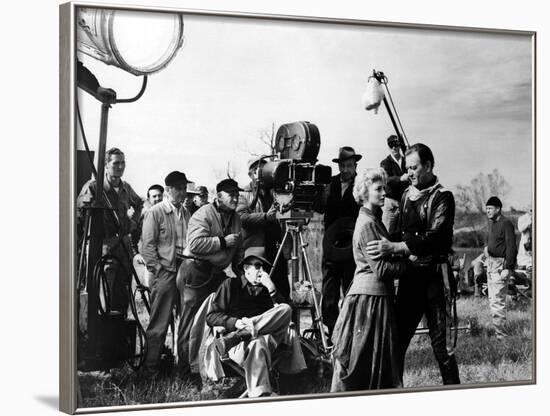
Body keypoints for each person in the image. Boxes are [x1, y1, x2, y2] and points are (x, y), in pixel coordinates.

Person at [366, 143, 460, 385]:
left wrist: (398, 248)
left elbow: (435, 237)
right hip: (410, 278)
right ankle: (392, 395)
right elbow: (399, 234)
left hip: (435, 281)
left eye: (415, 167)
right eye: (407, 168)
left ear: (428, 166)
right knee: (396, 343)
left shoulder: (443, 198)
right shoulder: (407, 195)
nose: (410, 173)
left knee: (442, 347)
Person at [331, 168, 409, 391]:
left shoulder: (374, 219)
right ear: (365, 193)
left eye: (384, 188)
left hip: (375, 296)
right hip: (369, 300)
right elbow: (382, 269)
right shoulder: (366, 224)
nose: (383, 193)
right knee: (363, 364)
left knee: (375, 362)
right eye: (378, 189)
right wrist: (409, 263)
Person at [206, 246, 305, 397]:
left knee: (285, 308)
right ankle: (261, 395)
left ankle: (247, 331)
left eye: (264, 267)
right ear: (246, 268)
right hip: (238, 345)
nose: (262, 271)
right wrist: (236, 323)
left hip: (268, 340)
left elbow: (284, 317)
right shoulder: (231, 285)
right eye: (258, 266)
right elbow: (211, 316)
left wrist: (271, 288)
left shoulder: (267, 290)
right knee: (257, 342)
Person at [177, 178, 244, 377]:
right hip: (195, 272)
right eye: (231, 194)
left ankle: (209, 368)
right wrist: (223, 242)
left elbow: (238, 247)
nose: (235, 197)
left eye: (237, 194)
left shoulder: (236, 218)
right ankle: (185, 372)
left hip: (216, 274)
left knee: (215, 319)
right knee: (190, 324)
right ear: (219, 196)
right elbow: (195, 243)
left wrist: (242, 275)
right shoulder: (203, 213)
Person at [77, 147, 143, 315]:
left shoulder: (126, 188)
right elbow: (78, 217)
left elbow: (139, 203)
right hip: (103, 247)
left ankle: (118, 334)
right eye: (115, 163)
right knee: (103, 296)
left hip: (123, 246)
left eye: (123, 163)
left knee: (123, 294)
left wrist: (133, 221)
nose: (120, 167)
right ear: (106, 165)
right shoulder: (93, 187)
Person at [140, 171, 193, 375]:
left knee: (185, 322)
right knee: (159, 324)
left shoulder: (186, 213)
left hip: (185, 270)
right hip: (166, 272)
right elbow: (147, 247)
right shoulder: (156, 212)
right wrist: (160, 270)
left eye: (184, 188)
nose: (183, 192)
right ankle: (151, 371)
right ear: (168, 190)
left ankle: (183, 370)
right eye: (179, 188)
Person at [322, 146, 362, 336]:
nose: (345, 170)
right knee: (329, 289)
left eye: (349, 166)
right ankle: (331, 330)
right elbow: (319, 207)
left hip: (351, 244)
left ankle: (350, 330)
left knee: (350, 286)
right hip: (331, 244)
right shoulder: (330, 184)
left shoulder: (362, 185)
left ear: (355, 165)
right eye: (342, 166)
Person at [237, 156, 290, 299]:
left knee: (282, 288)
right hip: (256, 250)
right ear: (250, 174)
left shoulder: (276, 191)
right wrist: (266, 216)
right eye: (256, 170)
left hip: (276, 248)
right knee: (259, 290)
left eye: (264, 169)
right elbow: (242, 218)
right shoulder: (243, 194)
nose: (261, 173)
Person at [485, 196, 518, 339]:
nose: (487, 211)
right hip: (491, 264)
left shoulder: (506, 223)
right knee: (493, 301)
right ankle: (499, 334)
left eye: (490, 208)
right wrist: (487, 250)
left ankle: (502, 338)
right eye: (486, 209)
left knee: (497, 302)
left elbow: (511, 246)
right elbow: (495, 243)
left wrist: (508, 267)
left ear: (498, 209)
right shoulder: (493, 223)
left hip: (500, 266)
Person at [380, 135, 409, 235]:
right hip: (391, 203)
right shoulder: (385, 163)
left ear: (400, 145)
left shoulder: (407, 161)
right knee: (386, 232)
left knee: (404, 232)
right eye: (391, 145)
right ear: (388, 146)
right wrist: (401, 178)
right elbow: (386, 179)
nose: (394, 148)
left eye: (396, 145)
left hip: (405, 202)